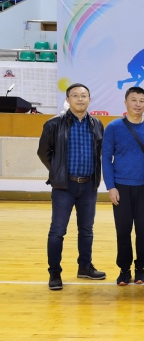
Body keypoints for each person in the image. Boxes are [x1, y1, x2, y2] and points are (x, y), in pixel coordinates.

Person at [37, 83, 105, 290]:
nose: (80, 99)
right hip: (64, 187)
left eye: (84, 95)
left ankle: (84, 267)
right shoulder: (54, 124)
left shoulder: (97, 124)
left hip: (88, 186)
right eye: (75, 95)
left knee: (86, 230)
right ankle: (54, 273)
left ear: (89, 99)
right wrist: (57, 171)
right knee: (57, 231)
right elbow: (43, 152)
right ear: (67, 99)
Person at [102, 87, 144, 286]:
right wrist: (111, 186)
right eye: (134, 100)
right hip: (121, 187)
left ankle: (141, 268)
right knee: (123, 231)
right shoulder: (113, 127)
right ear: (126, 102)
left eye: (142, 100)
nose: (138, 104)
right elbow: (106, 158)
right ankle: (124, 270)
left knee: (143, 231)